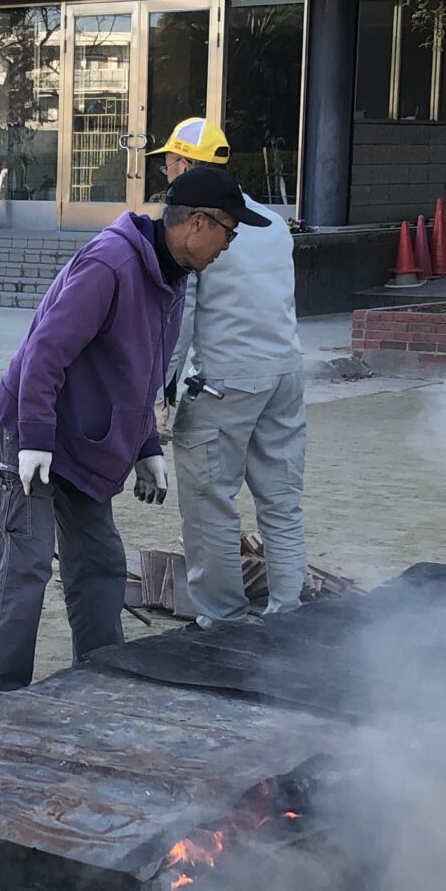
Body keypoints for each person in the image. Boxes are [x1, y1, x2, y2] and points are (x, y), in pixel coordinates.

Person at [0, 165, 258, 696]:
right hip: (31, 430)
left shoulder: (173, 276)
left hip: (83, 441)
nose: (229, 244)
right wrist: (34, 436)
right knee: (26, 567)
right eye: (230, 230)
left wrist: (146, 444)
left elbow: (142, 371)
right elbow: (44, 351)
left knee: (101, 564)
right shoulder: (111, 264)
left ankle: (103, 686)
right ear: (198, 223)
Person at [152, 120, 309, 622]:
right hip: (284, 372)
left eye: (168, 164)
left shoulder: (196, 229)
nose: (166, 173)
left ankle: (223, 620)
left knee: (210, 505)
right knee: (281, 501)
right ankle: (288, 612)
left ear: (184, 165)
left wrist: (161, 390)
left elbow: (181, 318)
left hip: (224, 380)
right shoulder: (272, 223)